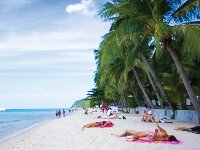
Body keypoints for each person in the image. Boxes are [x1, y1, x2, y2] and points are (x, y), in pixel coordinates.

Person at [111, 123, 178, 142]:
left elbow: (158, 127)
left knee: (136, 134)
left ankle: (119, 135)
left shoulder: (165, 133)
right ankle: (126, 133)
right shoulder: (164, 139)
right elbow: (154, 139)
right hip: (150, 137)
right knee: (134, 132)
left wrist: (158, 126)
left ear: (170, 136)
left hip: (149, 133)